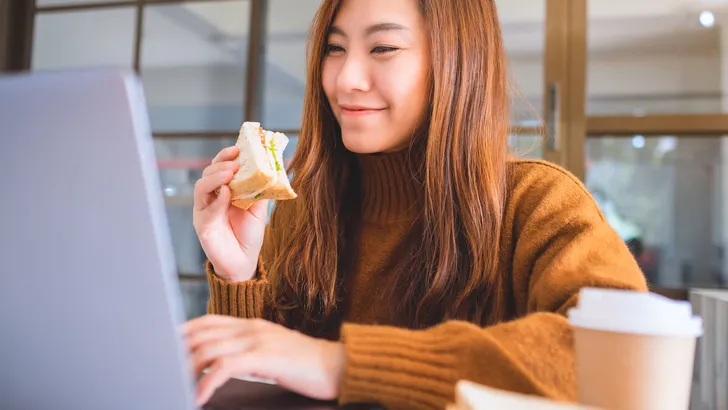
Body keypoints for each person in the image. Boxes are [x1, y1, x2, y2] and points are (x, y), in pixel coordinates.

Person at [182, 0, 648, 408]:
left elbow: (621, 354)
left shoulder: (538, 203)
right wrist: (237, 274)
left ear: (457, 61)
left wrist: (343, 364)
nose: (346, 80)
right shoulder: (307, 207)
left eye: (383, 48)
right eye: (334, 48)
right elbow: (259, 381)